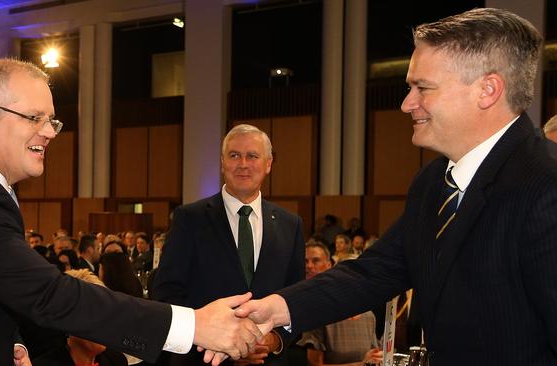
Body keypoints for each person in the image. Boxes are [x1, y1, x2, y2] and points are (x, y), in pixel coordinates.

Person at [234, 8, 557, 366]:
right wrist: (277, 309)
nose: (407, 104)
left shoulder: (546, 185)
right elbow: (376, 270)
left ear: (488, 90)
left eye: (423, 88)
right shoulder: (433, 182)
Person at [0, 58, 265, 365]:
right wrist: (194, 326)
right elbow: (50, 295)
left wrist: (10, 344)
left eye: (52, 121)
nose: (49, 132)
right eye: (34, 117)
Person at [152, 124, 305, 365]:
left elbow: (297, 298)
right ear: (223, 163)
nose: (243, 163)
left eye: (252, 156)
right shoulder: (189, 218)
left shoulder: (290, 225)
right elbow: (166, 293)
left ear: (268, 164)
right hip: (202, 360)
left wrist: (274, 340)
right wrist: (218, 340)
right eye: (234, 155)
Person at [299, 242, 382, 366]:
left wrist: (378, 357)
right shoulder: (319, 312)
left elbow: (373, 355)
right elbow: (314, 364)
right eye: (348, 275)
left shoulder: (368, 316)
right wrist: (361, 364)